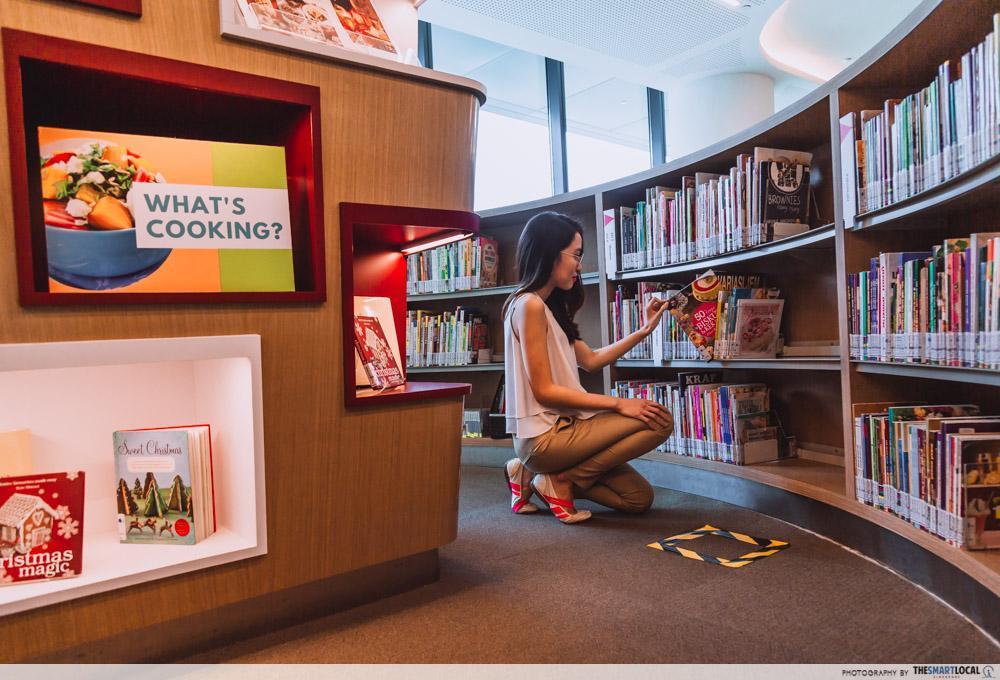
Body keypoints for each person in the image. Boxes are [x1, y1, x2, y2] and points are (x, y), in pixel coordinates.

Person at [502, 212, 673, 525]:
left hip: (563, 432)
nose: (580, 265)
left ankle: (532, 473)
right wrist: (620, 403)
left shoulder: (548, 306)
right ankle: (558, 480)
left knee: (637, 499)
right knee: (659, 421)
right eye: (576, 255)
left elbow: (591, 360)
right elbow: (545, 391)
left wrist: (643, 331)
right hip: (544, 437)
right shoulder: (529, 305)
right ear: (549, 253)